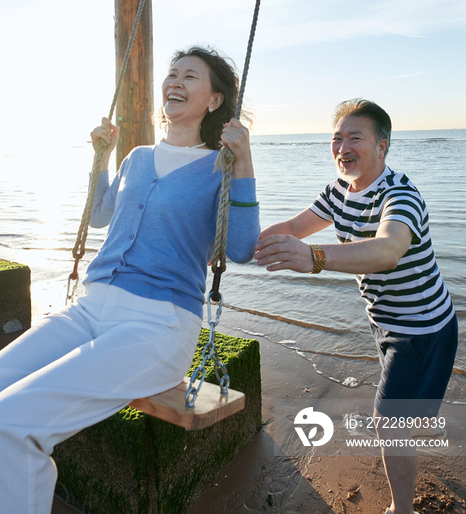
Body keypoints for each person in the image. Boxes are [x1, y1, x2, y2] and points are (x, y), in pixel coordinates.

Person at [0, 46, 260, 514]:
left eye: (190, 77)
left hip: (158, 327)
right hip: (90, 308)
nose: (174, 81)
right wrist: (101, 155)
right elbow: (100, 214)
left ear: (215, 100)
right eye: (172, 74)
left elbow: (241, 248)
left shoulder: (219, 166)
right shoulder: (138, 158)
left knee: (12, 422)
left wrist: (244, 163)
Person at [255, 99, 457, 514]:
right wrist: (230, 247)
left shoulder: (400, 193)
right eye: (337, 138)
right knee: (403, 421)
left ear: (382, 146)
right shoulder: (338, 191)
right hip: (384, 323)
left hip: (421, 329)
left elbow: (389, 250)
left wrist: (315, 258)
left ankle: (403, 510)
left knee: (389, 424)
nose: (342, 147)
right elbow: (294, 228)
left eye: (355, 138)